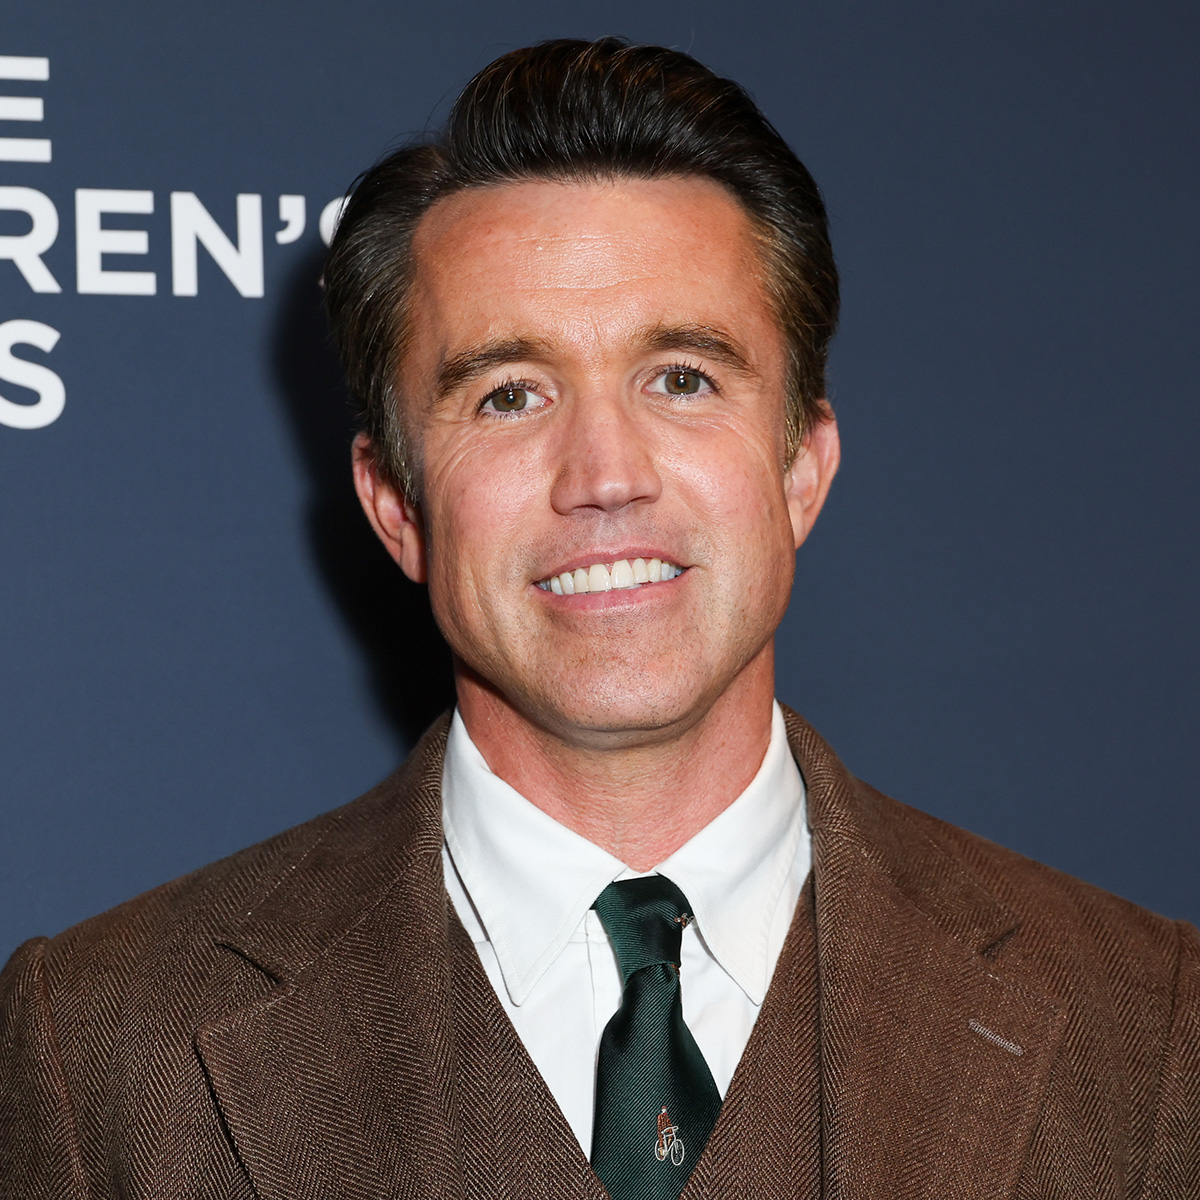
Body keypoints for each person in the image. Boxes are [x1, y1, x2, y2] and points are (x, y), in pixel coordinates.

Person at [1, 37, 1196, 1200]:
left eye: (681, 378)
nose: (606, 475)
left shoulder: (1151, 1028)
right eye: (509, 395)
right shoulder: (105, 1047)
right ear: (397, 507)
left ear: (802, 469)